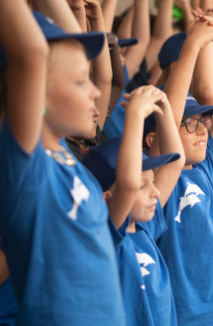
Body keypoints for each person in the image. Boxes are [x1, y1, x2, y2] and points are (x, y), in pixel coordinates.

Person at [0, 0, 125, 324]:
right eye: (80, 82)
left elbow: (70, 46)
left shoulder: (56, 154)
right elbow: (33, 55)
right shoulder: (25, 163)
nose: (95, 92)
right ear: (31, 90)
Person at [157, 12, 213, 325]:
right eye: (190, 123)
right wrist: (192, 45)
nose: (202, 130)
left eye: (203, 121)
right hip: (184, 317)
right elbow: (169, 119)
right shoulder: (161, 177)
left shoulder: (206, 166)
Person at [83, 85, 184, 326]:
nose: (155, 192)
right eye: (142, 186)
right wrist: (136, 116)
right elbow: (127, 184)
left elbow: (175, 163)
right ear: (106, 198)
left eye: (151, 182)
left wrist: (164, 110)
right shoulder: (107, 237)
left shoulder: (144, 227)